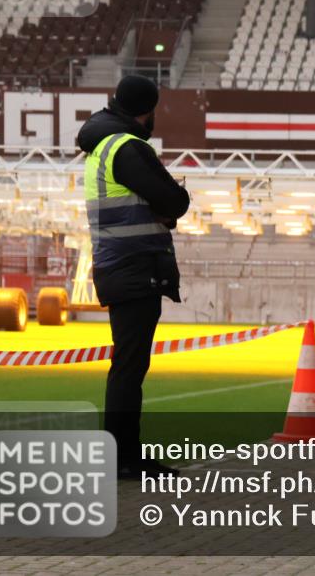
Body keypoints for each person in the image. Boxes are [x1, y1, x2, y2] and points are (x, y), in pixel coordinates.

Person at [76, 75, 190, 479]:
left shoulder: (101, 147)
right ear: (147, 110)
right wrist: (172, 204)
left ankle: (122, 454)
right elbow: (174, 200)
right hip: (135, 266)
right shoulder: (128, 148)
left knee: (127, 363)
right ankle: (124, 457)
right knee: (129, 366)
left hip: (118, 263)